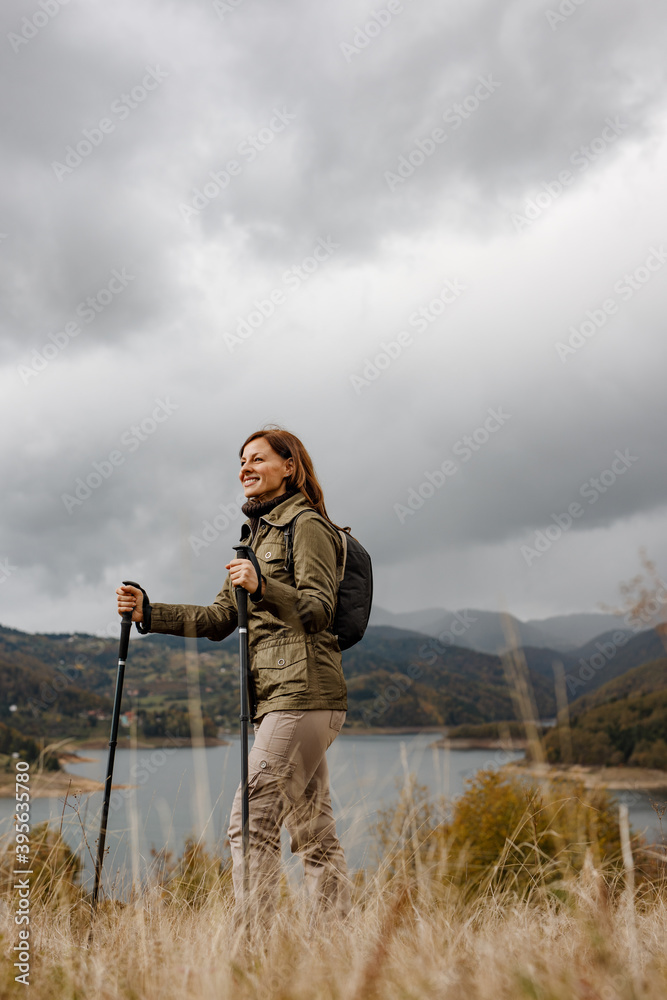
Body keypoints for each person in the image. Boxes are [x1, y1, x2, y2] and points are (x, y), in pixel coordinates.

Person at [116, 427, 351, 923]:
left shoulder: (305, 525)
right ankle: (336, 947)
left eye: (257, 459)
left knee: (251, 821)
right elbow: (219, 619)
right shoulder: (254, 539)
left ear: (290, 466)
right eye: (241, 460)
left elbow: (319, 609)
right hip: (285, 700)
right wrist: (148, 613)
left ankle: (256, 952)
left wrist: (264, 585)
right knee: (314, 834)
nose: (244, 467)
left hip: (302, 693)